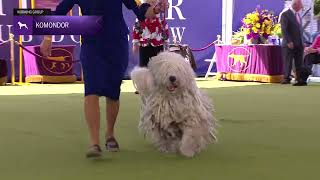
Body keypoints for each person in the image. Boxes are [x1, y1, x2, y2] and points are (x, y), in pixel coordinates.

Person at [40, 0, 169, 158]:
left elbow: (141, 11)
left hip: (116, 44)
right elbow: (59, 12)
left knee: (113, 93)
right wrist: (47, 38)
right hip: (91, 45)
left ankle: (110, 133)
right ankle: (94, 143)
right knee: (91, 91)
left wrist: (155, 9)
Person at [280, 0, 306, 86]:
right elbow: (284, 29)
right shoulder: (285, 14)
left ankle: (299, 78)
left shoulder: (298, 15)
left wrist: (303, 41)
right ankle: (286, 78)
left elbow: (299, 30)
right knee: (288, 61)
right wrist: (289, 41)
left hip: (299, 43)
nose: (302, 6)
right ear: (295, 5)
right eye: (301, 5)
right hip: (289, 43)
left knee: (299, 62)